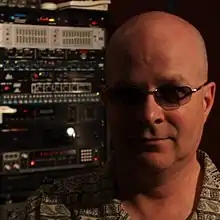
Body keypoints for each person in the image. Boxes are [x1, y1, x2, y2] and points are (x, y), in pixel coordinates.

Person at [8, 11, 220, 220]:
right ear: (106, 102)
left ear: (206, 102)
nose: (149, 114)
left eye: (172, 93)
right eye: (128, 95)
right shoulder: (42, 213)